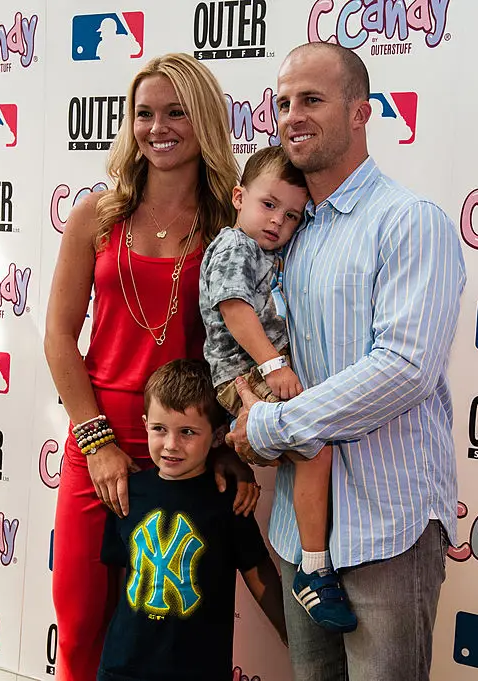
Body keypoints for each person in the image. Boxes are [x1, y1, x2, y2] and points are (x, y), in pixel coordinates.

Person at [226, 42, 466, 680]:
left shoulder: (409, 221)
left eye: (312, 99)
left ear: (361, 112)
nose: (293, 115)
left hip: (388, 525)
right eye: (283, 103)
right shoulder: (287, 231)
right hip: (298, 530)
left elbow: (405, 367)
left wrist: (273, 425)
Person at [44, 52, 256, 680]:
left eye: (176, 112)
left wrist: (221, 442)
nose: (157, 128)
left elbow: (238, 349)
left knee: (168, 642)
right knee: (80, 625)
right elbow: (58, 338)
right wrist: (97, 442)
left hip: (183, 448)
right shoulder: (95, 216)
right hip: (97, 440)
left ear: (205, 121)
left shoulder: (230, 227)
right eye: (144, 113)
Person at [200, 145, 355, 632]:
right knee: (315, 449)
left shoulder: (268, 252)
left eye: (291, 216)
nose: (277, 222)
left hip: (256, 372)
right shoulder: (234, 246)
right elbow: (233, 308)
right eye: (268, 205)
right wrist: (272, 365)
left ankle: (317, 560)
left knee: (316, 452)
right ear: (238, 197)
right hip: (243, 376)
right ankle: (314, 570)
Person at [98, 359, 286, 681]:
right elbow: (120, 577)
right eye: (160, 429)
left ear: (216, 436)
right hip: (123, 668)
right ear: (145, 424)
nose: (171, 445)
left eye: (187, 432)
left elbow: (258, 571)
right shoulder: (127, 494)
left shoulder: (228, 501)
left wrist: (290, 634)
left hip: (199, 669)